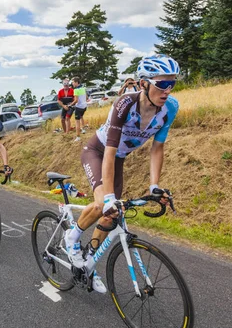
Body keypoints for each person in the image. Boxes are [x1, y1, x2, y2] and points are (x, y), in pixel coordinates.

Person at [64, 55, 180, 294]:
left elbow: (157, 148)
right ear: (143, 84)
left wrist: (154, 186)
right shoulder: (124, 104)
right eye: (162, 84)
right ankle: (71, 238)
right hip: (98, 152)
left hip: (118, 159)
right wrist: (107, 197)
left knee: (110, 217)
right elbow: (109, 151)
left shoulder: (170, 108)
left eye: (172, 84)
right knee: (101, 205)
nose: (167, 90)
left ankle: (88, 264)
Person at [69, 77, 88, 142]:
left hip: (79, 107)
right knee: (81, 117)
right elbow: (86, 97)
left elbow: (76, 100)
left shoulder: (76, 90)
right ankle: (83, 129)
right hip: (84, 106)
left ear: (77, 82)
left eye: (73, 82)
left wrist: (70, 105)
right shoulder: (83, 88)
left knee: (77, 122)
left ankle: (78, 137)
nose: (72, 83)